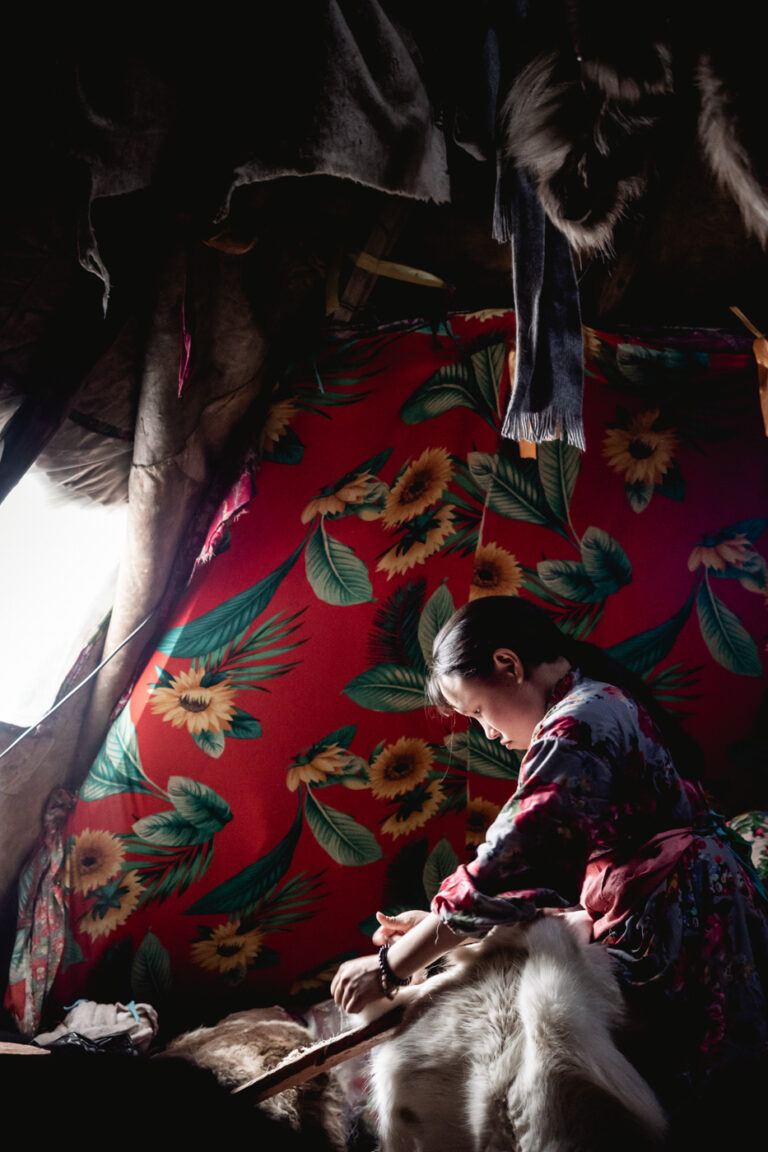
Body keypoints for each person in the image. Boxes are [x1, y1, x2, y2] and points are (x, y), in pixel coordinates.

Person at [330, 595, 768, 1124]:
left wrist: (389, 967)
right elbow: (547, 874)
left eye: (477, 710)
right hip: (689, 897)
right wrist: (438, 927)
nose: (487, 731)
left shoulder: (578, 723)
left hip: (689, 922)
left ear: (509, 666)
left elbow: (510, 862)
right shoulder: (594, 698)